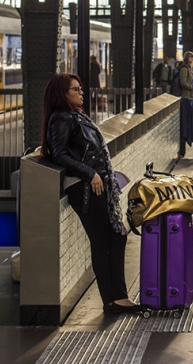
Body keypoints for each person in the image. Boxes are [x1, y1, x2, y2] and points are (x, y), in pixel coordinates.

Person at [41, 73, 137, 314]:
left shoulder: (77, 114)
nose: (81, 92)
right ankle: (112, 300)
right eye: (76, 89)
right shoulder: (61, 118)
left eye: (80, 88)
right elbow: (58, 153)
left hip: (98, 185)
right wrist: (90, 173)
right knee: (103, 241)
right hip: (85, 189)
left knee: (116, 235)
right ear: (62, 94)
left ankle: (118, 296)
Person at [178, 52, 193, 155]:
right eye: (190, 56)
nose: (192, 58)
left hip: (190, 97)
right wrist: (192, 87)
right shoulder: (184, 69)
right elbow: (183, 82)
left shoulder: (190, 69)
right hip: (186, 98)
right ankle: (182, 148)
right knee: (186, 122)